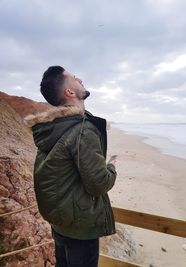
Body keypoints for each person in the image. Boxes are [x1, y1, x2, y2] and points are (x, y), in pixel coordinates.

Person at [24, 66, 117, 267]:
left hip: (61, 223)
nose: (80, 79)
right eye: (75, 78)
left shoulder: (52, 128)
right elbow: (98, 184)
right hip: (80, 229)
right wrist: (111, 167)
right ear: (70, 92)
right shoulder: (82, 130)